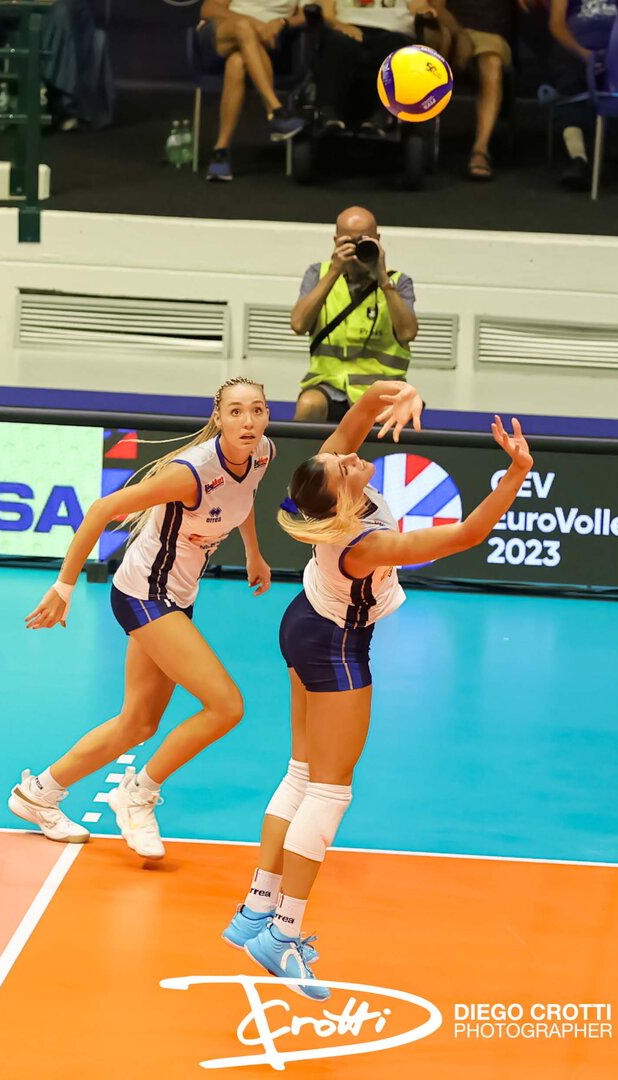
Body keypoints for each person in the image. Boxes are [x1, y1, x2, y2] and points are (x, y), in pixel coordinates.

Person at [221, 381, 534, 999]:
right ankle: (282, 935)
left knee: (301, 772)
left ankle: (255, 908)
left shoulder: (328, 488)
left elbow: (362, 411)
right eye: (343, 466)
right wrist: (517, 472)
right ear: (340, 499)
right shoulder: (364, 543)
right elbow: (467, 535)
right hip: (334, 645)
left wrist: (402, 392)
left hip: (304, 620)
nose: (349, 456)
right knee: (330, 791)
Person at [8, 378, 277, 857]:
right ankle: (138, 794)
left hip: (179, 594)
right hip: (145, 593)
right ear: (218, 418)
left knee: (138, 723)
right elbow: (102, 509)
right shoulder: (191, 474)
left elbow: (245, 498)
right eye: (236, 411)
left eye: (257, 410)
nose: (248, 421)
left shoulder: (261, 453)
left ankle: (38, 794)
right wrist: (63, 588)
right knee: (226, 706)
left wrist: (253, 553)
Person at [291, 205, 417, 423]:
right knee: (309, 404)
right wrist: (335, 270)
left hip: (381, 389)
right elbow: (299, 325)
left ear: (377, 240)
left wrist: (382, 278)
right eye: (349, 242)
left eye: (364, 241)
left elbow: (408, 333)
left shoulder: (398, 282)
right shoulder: (318, 274)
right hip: (328, 386)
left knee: (390, 415)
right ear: (336, 241)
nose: (357, 248)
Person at [199, 0, 307, 182]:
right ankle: (274, 109)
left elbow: (305, 15)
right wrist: (253, 24)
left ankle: (221, 151)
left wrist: (283, 22)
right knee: (244, 27)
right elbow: (208, 9)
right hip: (220, 35)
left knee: (237, 63)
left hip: (268, 41)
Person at [547, 0, 618, 191]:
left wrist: (616, 53)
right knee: (570, 83)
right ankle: (579, 159)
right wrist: (583, 54)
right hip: (576, 49)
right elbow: (556, 24)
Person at [313, 0, 437, 133]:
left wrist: (427, 11)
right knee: (336, 42)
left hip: (394, 31)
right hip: (346, 27)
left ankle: (383, 117)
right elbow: (325, 11)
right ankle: (327, 113)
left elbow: (420, 6)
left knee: (396, 49)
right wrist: (339, 25)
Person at [436, 0, 522, 181]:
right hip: (450, 29)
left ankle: (481, 149)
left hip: (489, 34)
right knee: (429, 45)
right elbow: (437, 7)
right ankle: (416, 138)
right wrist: (459, 34)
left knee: (492, 62)